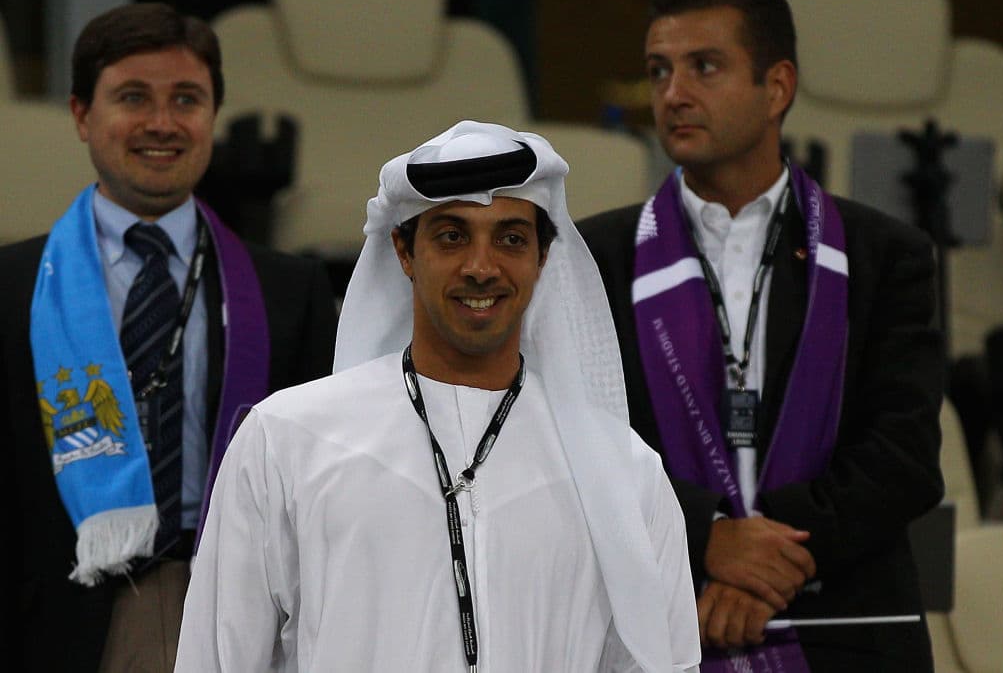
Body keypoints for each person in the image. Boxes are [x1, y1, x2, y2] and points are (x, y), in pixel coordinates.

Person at [174, 120, 702, 672]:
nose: (481, 268)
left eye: (511, 239)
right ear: (404, 252)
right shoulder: (286, 439)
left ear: (543, 257)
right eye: (452, 236)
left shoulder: (622, 473)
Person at [577, 0, 944, 672]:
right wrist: (706, 536)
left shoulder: (884, 253)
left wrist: (759, 563)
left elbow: (903, 455)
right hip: (662, 624)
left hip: (846, 632)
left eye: (704, 66)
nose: (673, 94)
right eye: (659, 71)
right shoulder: (591, 258)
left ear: (776, 87)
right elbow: (581, 443)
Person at [0, 3, 339, 673]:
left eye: (186, 99)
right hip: (53, 619)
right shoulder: (12, 286)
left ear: (212, 116)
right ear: (81, 115)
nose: (162, 122)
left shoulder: (288, 291)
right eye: (133, 98)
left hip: (238, 612)